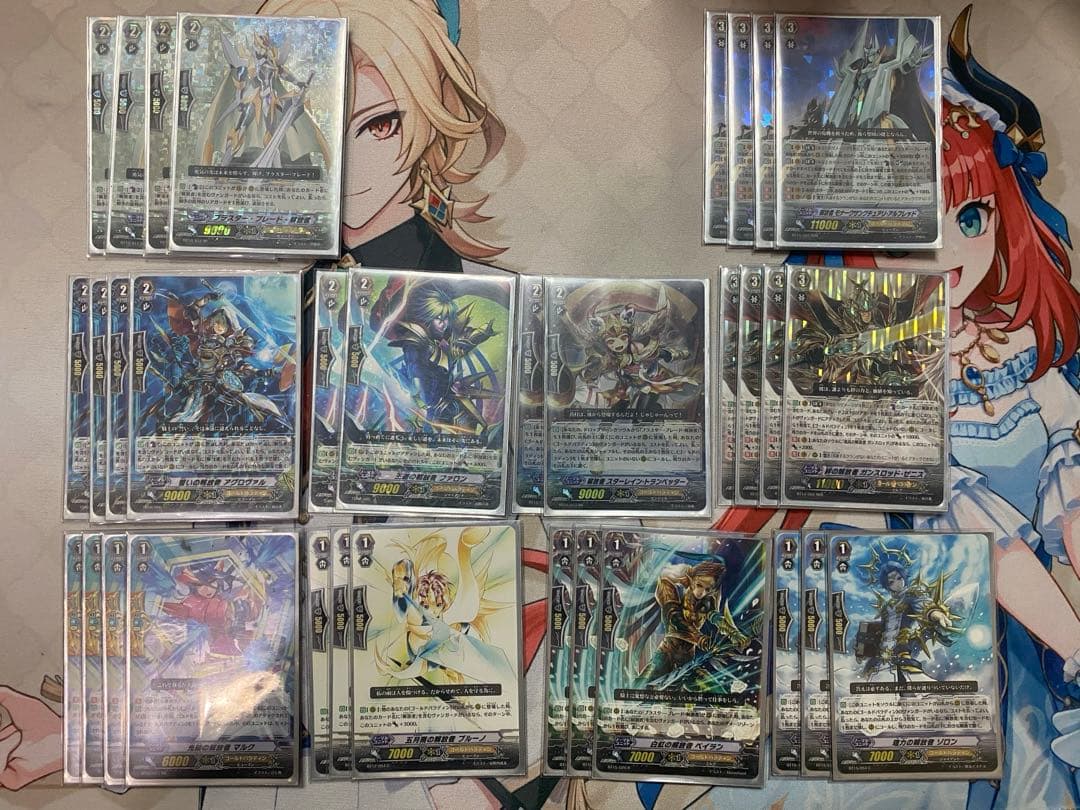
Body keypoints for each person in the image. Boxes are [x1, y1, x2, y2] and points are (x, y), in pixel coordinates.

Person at [260, 0, 506, 272]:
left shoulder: (472, 286)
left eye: (380, 126)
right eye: (306, 126)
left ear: (432, 113)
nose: (344, 162)